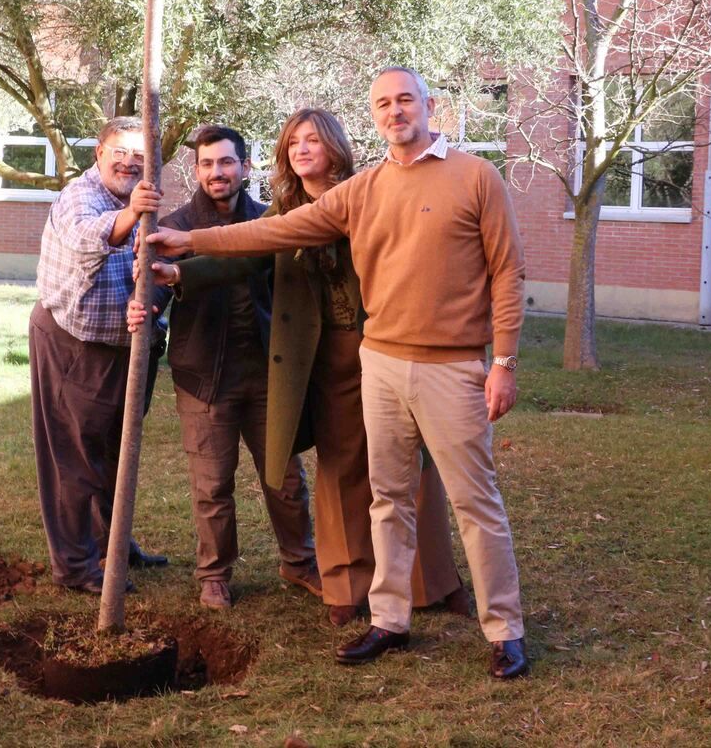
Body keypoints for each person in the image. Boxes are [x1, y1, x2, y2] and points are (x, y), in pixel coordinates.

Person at [148, 68, 531, 680]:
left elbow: (507, 272)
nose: (395, 111)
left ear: (429, 106)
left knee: (472, 501)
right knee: (386, 497)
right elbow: (273, 232)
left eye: (405, 99)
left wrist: (504, 361)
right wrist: (188, 242)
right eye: (383, 103)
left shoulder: (476, 177)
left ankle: (504, 630)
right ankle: (389, 619)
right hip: (377, 360)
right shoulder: (366, 189)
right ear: (374, 115)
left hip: (451, 364)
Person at [130, 109, 469, 626]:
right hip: (322, 360)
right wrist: (179, 270)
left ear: (334, 145)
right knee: (338, 471)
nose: (302, 149)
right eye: (293, 143)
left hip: (388, 345)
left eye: (313, 140)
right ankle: (345, 584)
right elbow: (242, 253)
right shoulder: (284, 210)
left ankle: (432, 580)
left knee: (411, 468)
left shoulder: (369, 192)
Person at [140, 125, 319, 610]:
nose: (216, 172)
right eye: (206, 164)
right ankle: (214, 574)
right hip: (203, 378)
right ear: (196, 170)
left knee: (284, 478)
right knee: (212, 485)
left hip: (266, 376)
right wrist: (147, 306)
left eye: (225, 162)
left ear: (244, 166)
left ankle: (299, 561)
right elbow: (154, 286)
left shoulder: (267, 222)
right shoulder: (174, 226)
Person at [28, 116, 169, 594]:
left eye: (139, 155)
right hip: (74, 344)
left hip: (127, 347)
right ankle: (76, 566)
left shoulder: (144, 202)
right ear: (99, 154)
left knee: (116, 453)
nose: (129, 162)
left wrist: (150, 297)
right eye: (120, 152)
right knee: (75, 459)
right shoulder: (80, 198)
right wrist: (131, 215)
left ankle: (113, 546)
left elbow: (154, 269)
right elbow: (90, 238)